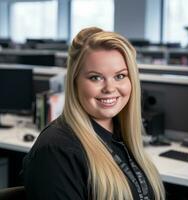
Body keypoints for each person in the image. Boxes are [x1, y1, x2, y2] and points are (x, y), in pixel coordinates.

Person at [22, 27, 165, 200]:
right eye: (95, 77)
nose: (110, 88)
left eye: (120, 76)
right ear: (74, 82)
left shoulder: (121, 135)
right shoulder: (57, 151)